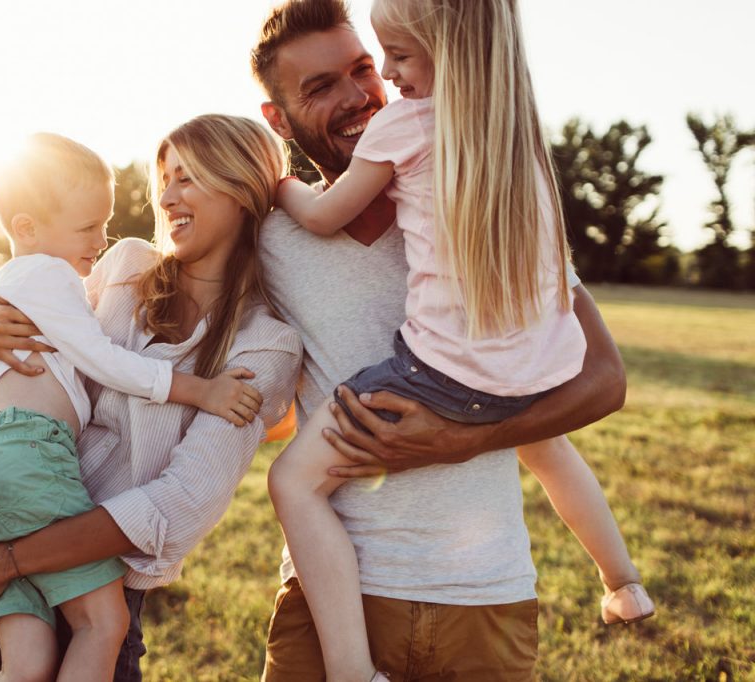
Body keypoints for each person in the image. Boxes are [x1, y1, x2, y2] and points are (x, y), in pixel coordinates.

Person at [266, 0, 653, 678]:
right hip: (330, 600)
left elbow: (607, 381)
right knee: (548, 446)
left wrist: (461, 440)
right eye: (322, 86)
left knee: (292, 482)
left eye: (372, 67)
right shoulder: (500, 152)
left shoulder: (482, 181)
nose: (365, 90)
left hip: (484, 598)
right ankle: (621, 580)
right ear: (278, 117)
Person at [0, 115, 302, 682]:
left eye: (187, 177)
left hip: (74, 581)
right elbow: (41, 350)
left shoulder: (265, 343)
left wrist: (14, 560)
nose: (166, 196)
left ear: (243, 187)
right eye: (164, 180)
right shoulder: (125, 264)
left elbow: (179, 505)